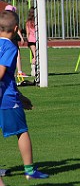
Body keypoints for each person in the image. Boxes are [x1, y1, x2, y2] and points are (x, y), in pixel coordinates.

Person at [0, 10, 48, 180]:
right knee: (22, 132)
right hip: (6, 99)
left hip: (9, 95)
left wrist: (21, 96)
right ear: (15, 29)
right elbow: (2, 73)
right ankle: (29, 170)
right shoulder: (10, 47)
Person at [4, 4, 28, 78]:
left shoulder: (4, 20)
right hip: (12, 38)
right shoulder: (12, 19)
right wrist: (21, 37)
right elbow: (16, 29)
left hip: (6, 38)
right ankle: (19, 71)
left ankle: (8, 71)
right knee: (17, 54)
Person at [25, 7, 36, 76]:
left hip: (31, 40)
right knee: (35, 55)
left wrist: (27, 39)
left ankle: (34, 69)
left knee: (33, 55)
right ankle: (34, 70)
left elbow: (27, 32)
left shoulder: (28, 22)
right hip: (35, 39)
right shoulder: (36, 21)